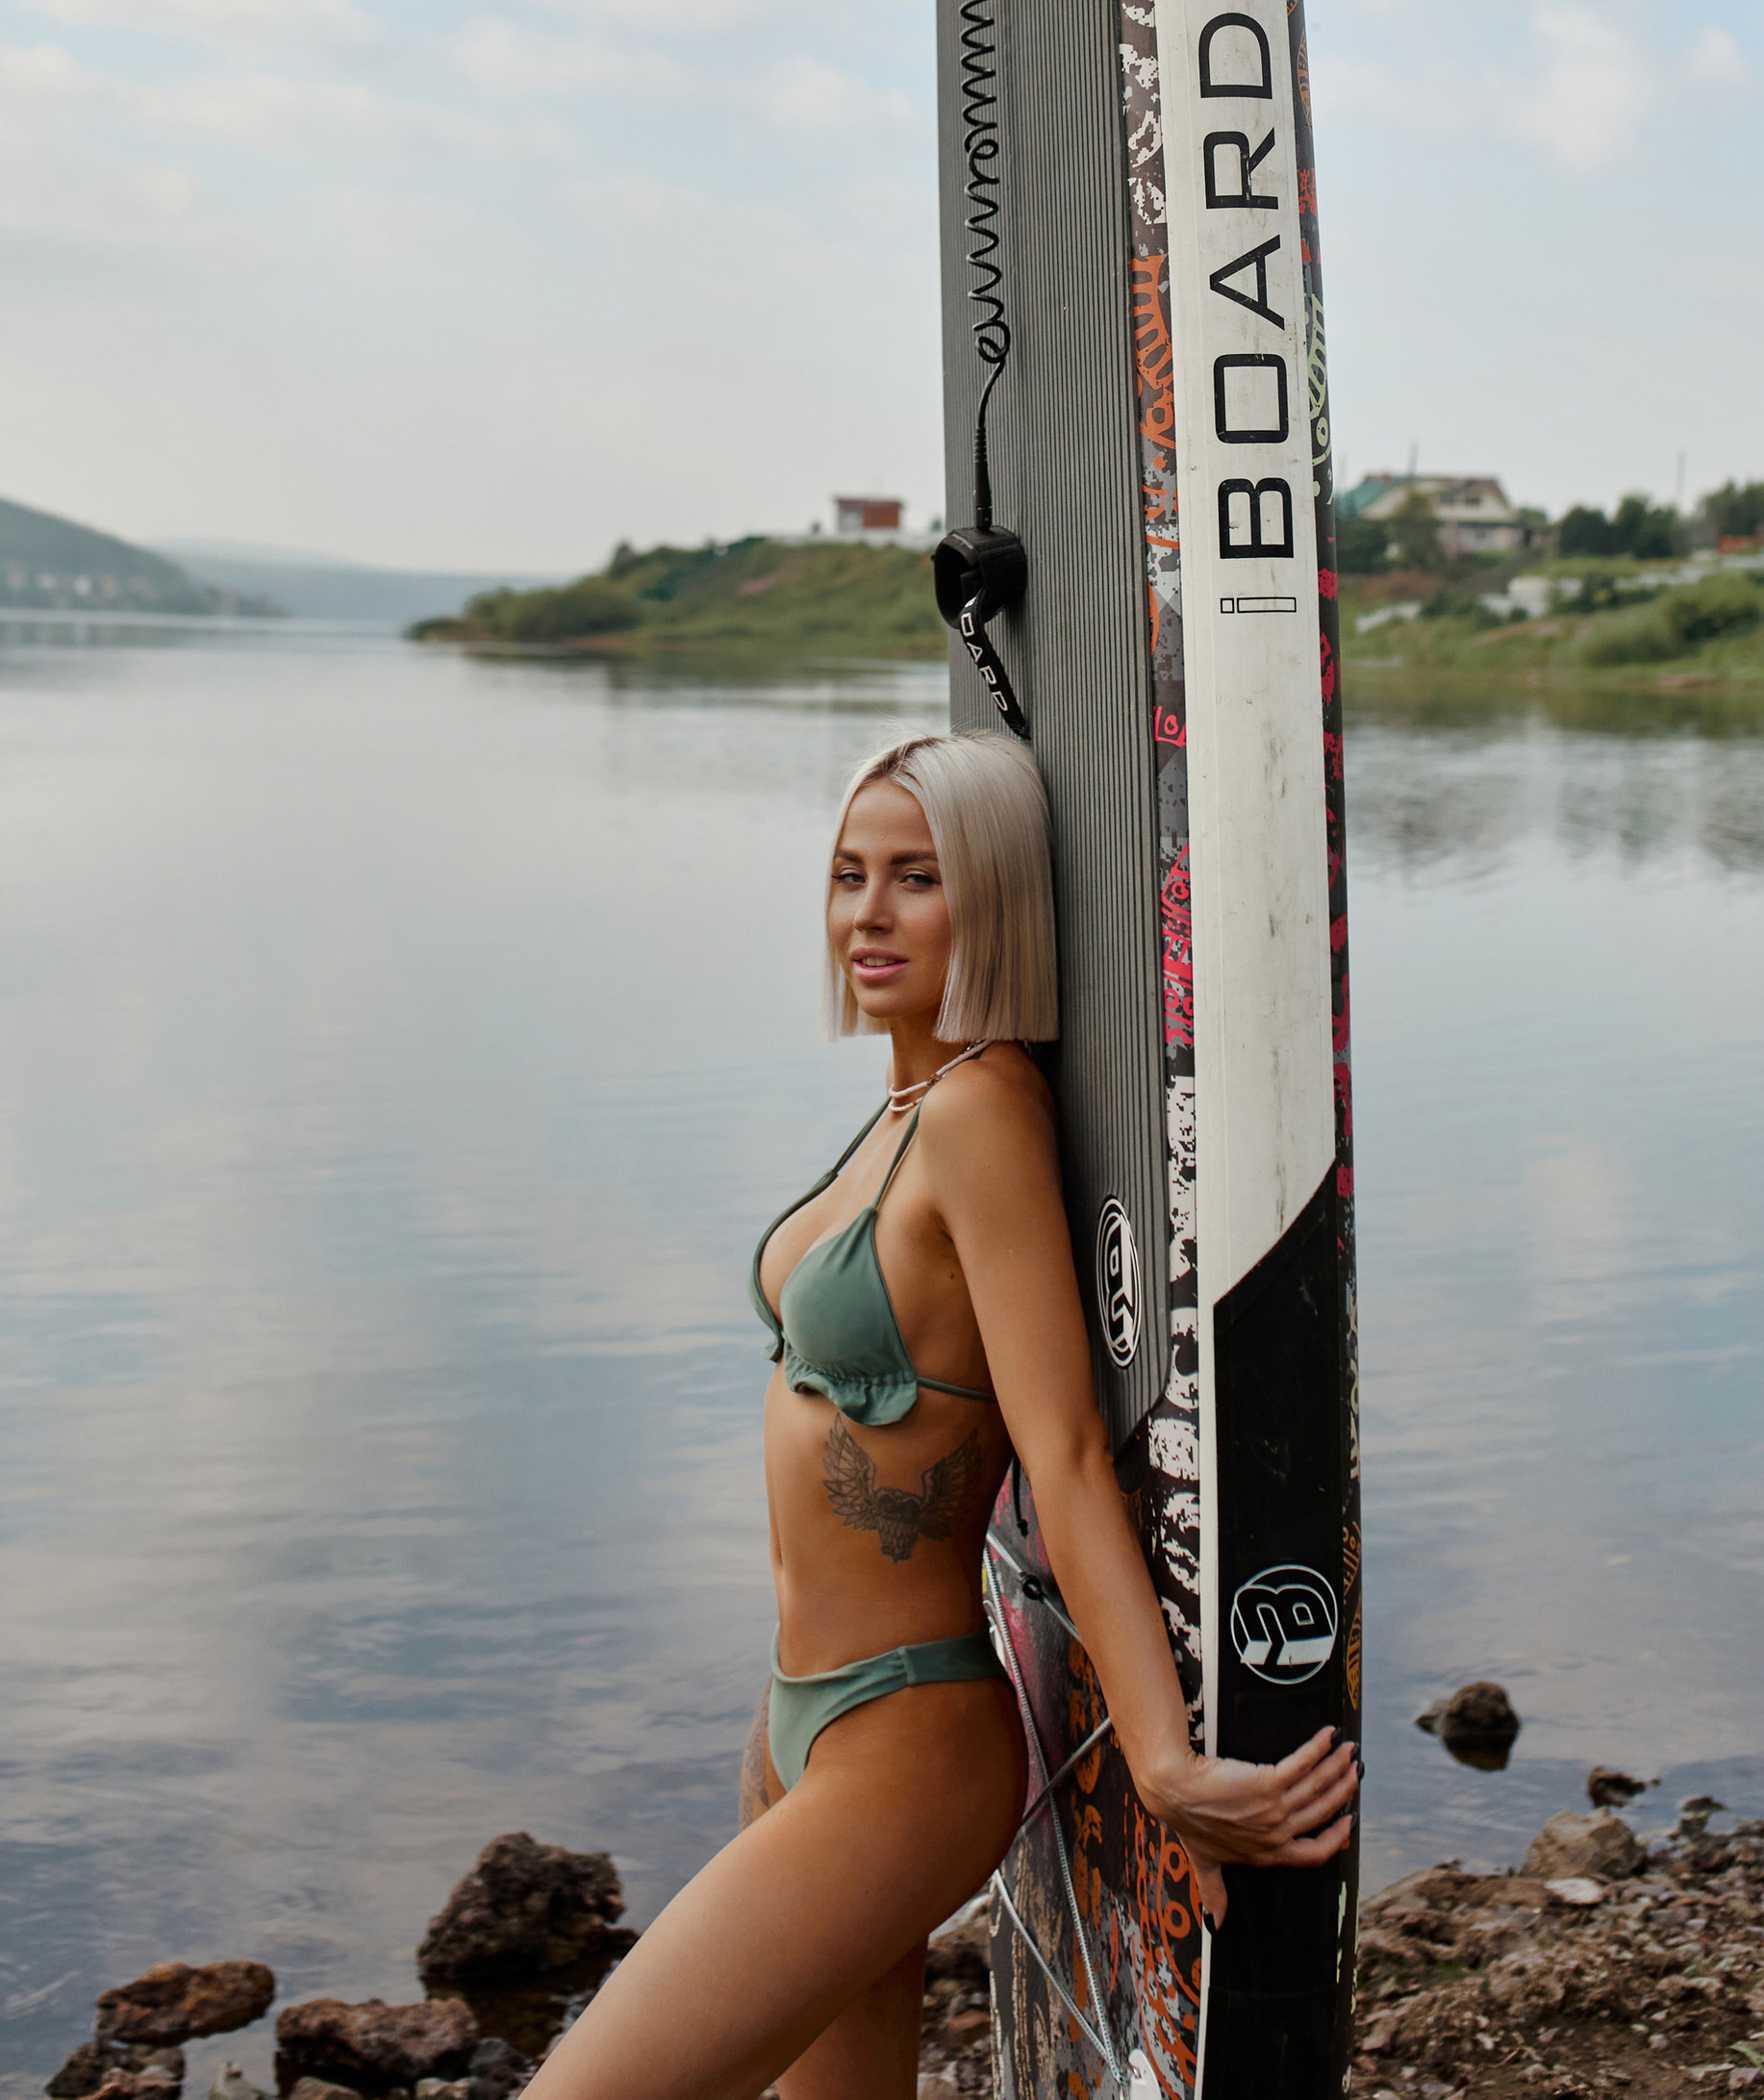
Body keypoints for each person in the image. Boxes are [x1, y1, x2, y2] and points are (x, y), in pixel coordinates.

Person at [528, 730, 1357, 2100]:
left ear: (992, 900)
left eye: (916, 876)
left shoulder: (981, 1111)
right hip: (802, 1718)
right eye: (850, 874)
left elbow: (1071, 1458)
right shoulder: (901, 1109)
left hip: (908, 1746)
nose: (867, 911)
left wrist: (1160, 1761)